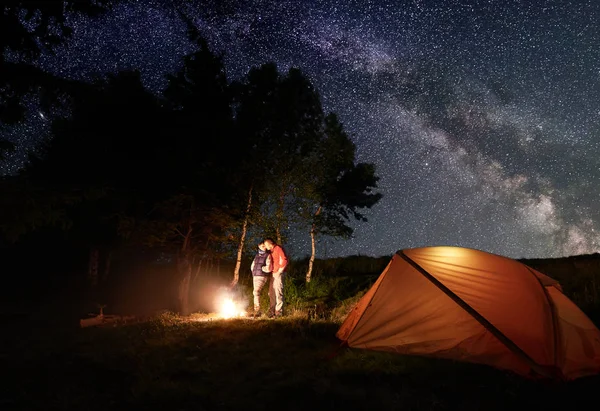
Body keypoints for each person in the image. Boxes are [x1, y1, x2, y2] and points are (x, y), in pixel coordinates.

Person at [263, 238, 288, 317]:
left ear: (270, 244)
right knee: (271, 293)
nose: (266, 247)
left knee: (278, 292)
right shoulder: (271, 252)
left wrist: (280, 271)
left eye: (266, 245)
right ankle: (272, 311)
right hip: (273, 274)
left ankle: (279, 312)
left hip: (278, 273)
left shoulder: (278, 248)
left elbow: (284, 260)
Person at [250, 241, 272, 317]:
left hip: (262, 275)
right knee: (255, 292)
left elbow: (269, 267)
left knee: (256, 291)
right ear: (259, 246)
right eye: (262, 246)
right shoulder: (256, 255)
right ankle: (257, 310)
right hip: (255, 276)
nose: (264, 247)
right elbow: (252, 265)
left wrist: (263, 269)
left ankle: (257, 311)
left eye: (264, 246)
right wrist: (253, 271)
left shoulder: (268, 255)